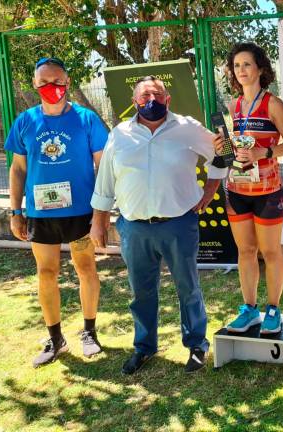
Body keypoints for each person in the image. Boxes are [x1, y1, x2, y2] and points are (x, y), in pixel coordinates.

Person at [89, 76, 227, 374]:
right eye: (144, 95)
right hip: (134, 228)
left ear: (168, 99)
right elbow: (106, 179)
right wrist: (98, 220)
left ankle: (196, 345)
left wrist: (210, 190)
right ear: (134, 102)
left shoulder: (187, 128)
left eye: (157, 94)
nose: (151, 100)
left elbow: (221, 152)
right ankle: (144, 347)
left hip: (178, 224)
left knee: (188, 287)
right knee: (141, 291)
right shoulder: (120, 134)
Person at [5, 57, 107, 367]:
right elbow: (18, 169)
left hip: (80, 214)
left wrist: (101, 212)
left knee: (85, 267)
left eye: (57, 81)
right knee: (46, 272)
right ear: (35, 86)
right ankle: (55, 338)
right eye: (45, 82)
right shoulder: (25, 121)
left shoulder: (87, 120)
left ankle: (89, 332)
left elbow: (103, 165)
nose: (53, 87)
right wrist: (15, 211)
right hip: (41, 215)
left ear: (67, 81)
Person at [211, 43, 283, 334]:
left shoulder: (272, 103)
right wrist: (222, 148)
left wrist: (265, 153)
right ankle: (249, 309)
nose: (241, 71)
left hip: (268, 191)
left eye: (247, 64)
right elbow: (233, 151)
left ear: (260, 68)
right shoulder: (233, 106)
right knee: (245, 251)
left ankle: (273, 308)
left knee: (270, 252)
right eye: (236, 66)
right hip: (237, 188)